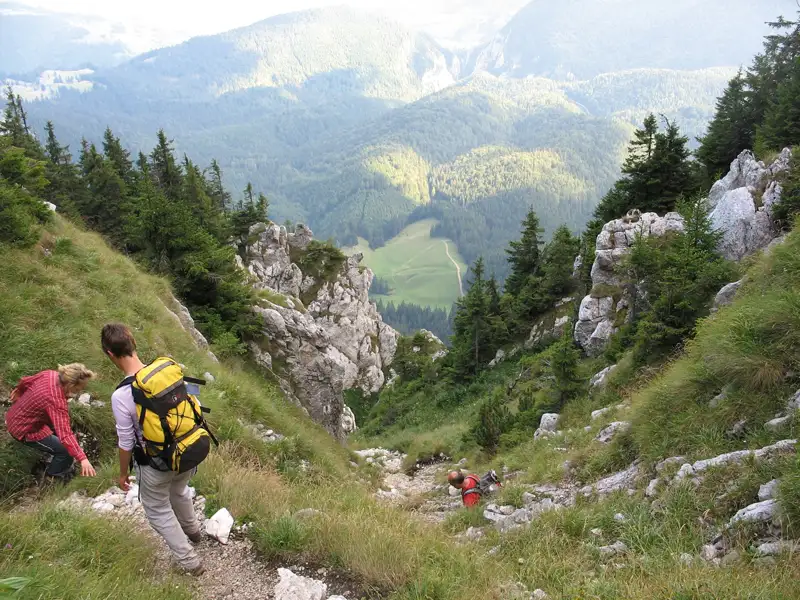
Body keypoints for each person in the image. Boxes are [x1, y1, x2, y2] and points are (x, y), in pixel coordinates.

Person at [102, 323, 205, 576]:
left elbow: (126, 441)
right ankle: (193, 532)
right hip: (188, 450)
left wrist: (123, 472)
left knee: (157, 508)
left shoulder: (122, 395)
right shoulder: (166, 372)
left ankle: (190, 561)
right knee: (179, 490)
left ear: (110, 354)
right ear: (134, 343)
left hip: (157, 463)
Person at [6, 364, 97, 483]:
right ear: (70, 385)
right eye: (78, 389)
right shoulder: (56, 401)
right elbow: (65, 435)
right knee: (66, 451)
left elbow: (25, 381)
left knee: (59, 428)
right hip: (24, 430)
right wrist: (83, 458)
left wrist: (19, 391)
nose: (79, 392)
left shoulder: (49, 374)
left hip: (13, 414)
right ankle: (53, 475)